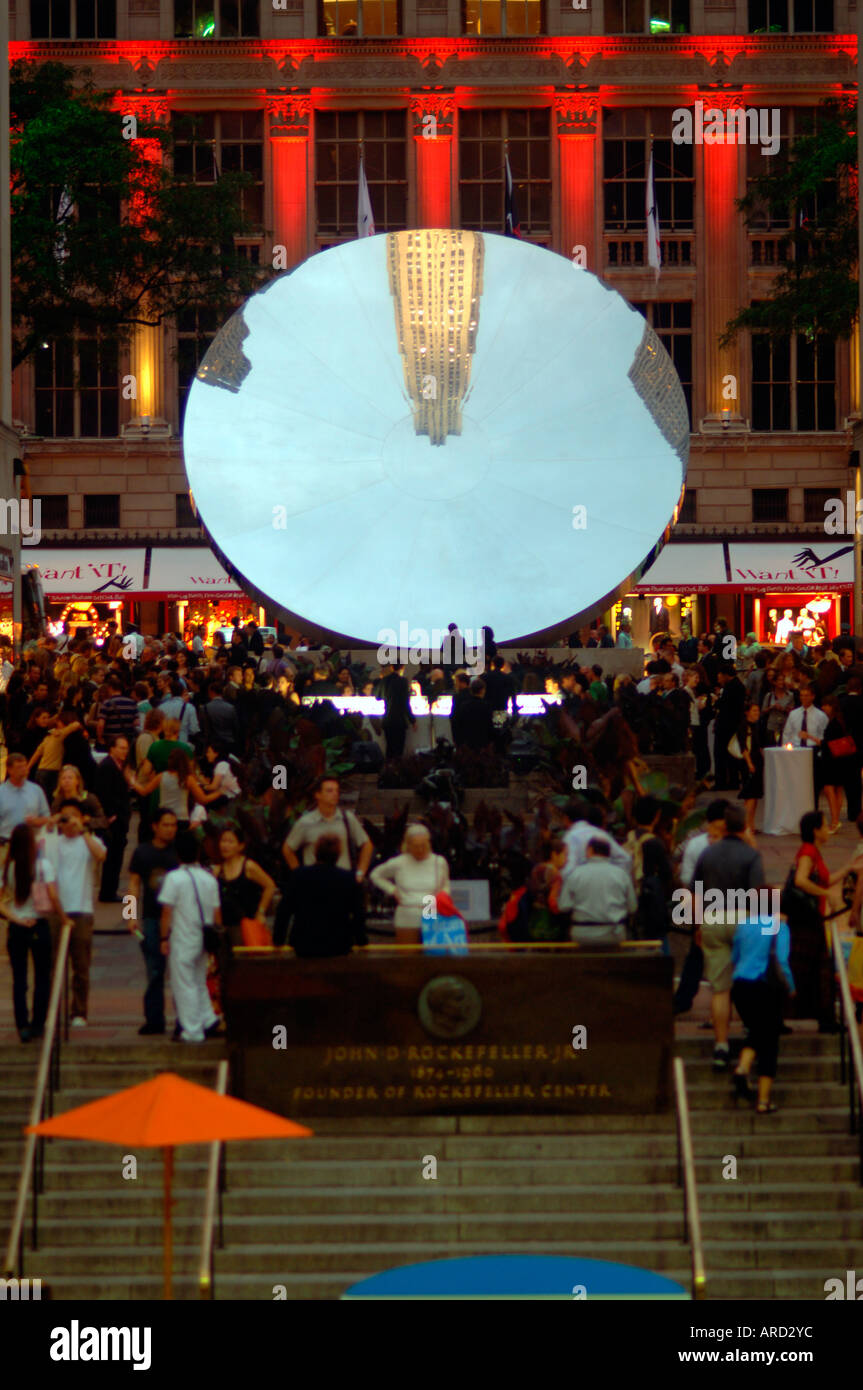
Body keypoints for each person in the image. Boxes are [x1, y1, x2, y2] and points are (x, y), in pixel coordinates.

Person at [693, 802, 764, 1070]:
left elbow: (696, 893)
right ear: (744, 827)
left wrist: (698, 925)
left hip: (713, 917)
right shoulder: (750, 855)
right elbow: (759, 892)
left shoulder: (708, 854)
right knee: (748, 978)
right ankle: (749, 1032)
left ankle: (721, 1045)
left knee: (720, 988)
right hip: (744, 917)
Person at [43, 798, 107, 1027]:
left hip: (81, 909)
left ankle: (79, 1011)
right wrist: (50, 823)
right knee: (50, 964)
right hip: (54, 909)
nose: (69, 821)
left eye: (74, 816)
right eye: (65, 816)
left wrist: (84, 832)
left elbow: (101, 856)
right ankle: (50, 1010)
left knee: (81, 965)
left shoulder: (89, 841)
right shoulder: (52, 842)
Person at [0, 823, 67, 1041]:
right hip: (39, 923)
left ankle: (22, 1025)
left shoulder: (7, 867)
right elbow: (53, 895)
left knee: (19, 979)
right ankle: (39, 1023)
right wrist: (64, 918)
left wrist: (17, 918)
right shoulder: (42, 865)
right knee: (42, 977)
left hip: (17, 926)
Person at [157, 832, 222, 1043]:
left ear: (177, 854)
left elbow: (166, 912)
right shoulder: (209, 878)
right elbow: (216, 912)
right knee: (199, 980)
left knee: (184, 984)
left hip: (182, 938)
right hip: (204, 936)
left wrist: (163, 938)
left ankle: (192, 1029)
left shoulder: (173, 878)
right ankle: (207, 1019)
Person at [789, 810, 848, 1033]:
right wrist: (826, 894)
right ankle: (823, 1018)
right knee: (814, 968)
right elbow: (801, 880)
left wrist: (848, 869)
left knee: (815, 969)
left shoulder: (815, 852)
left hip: (812, 920)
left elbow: (827, 878)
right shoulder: (808, 852)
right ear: (815, 830)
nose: (827, 830)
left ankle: (822, 1017)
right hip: (806, 921)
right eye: (824, 826)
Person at [730, 915, 795, 1115]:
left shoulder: (744, 925)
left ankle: (743, 1067)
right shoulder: (777, 926)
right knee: (769, 1042)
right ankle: (763, 1100)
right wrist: (791, 987)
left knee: (757, 1030)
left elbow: (735, 957)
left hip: (740, 986)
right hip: (764, 986)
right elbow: (782, 960)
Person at [127, 808, 180, 1035]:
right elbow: (133, 884)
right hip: (151, 917)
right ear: (155, 826)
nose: (170, 829)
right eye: (166, 825)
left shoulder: (179, 852)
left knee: (180, 971)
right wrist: (130, 915)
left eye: (173, 825)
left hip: (178, 918)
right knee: (154, 970)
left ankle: (183, 1019)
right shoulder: (142, 852)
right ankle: (154, 1019)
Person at [282, 833, 367, 957]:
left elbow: (285, 909)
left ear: (315, 851)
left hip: (305, 941)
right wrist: (361, 940)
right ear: (338, 853)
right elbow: (358, 913)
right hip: (338, 942)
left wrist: (278, 939)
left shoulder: (299, 875)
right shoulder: (348, 878)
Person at [370, 823, 451, 945]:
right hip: (407, 910)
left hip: (429, 907)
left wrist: (442, 896)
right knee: (407, 956)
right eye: (415, 846)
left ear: (429, 843)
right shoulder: (399, 862)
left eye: (423, 846)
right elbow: (375, 875)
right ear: (408, 845)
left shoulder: (439, 862)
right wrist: (392, 890)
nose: (419, 850)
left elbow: (446, 885)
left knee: (433, 956)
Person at [282, 775, 372, 881]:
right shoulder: (305, 822)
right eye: (329, 791)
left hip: (342, 880)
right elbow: (288, 849)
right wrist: (300, 875)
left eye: (337, 791)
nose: (334, 794)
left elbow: (366, 844)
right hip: (315, 881)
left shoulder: (347, 818)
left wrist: (360, 873)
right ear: (318, 794)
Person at [557, 837, 636, 945]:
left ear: (590, 850)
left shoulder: (575, 874)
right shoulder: (621, 874)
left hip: (582, 934)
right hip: (613, 933)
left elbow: (563, 906)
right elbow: (632, 907)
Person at [212, 824, 276, 947]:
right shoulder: (217, 870)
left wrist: (261, 911)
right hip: (224, 924)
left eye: (230, 842)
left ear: (240, 846)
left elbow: (270, 886)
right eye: (223, 841)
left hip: (246, 923)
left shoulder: (248, 866)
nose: (225, 845)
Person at [94, 735, 133, 902]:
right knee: (112, 857)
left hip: (120, 818)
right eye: (121, 748)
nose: (125, 751)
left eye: (126, 748)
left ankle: (111, 890)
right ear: (112, 748)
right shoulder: (107, 766)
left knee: (116, 857)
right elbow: (104, 793)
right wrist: (112, 816)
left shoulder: (119, 766)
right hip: (114, 820)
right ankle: (108, 892)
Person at [0, 753, 52, 859]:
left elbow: (47, 817)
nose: (24, 769)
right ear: (9, 770)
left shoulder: (36, 790)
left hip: (31, 845)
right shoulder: (1, 792)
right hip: (6, 845)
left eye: (25, 766)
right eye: (19, 767)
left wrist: (36, 821)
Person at [26, 709, 82, 802]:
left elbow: (37, 754)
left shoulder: (46, 739)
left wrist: (28, 768)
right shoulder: (61, 735)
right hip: (52, 772)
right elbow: (76, 724)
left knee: (41, 798)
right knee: (52, 798)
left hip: (40, 771)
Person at [819, 694, 851, 833]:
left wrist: (812, 738)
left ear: (832, 706)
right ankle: (836, 819)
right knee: (838, 790)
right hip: (841, 760)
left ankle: (834, 821)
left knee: (829, 789)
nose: (824, 708)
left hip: (831, 760)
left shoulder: (833, 723)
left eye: (826, 705)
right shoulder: (840, 720)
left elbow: (827, 743)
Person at [713, 663, 746, 791]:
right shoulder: (738, 686)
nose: (718, 678)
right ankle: (733, 780)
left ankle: (721, 781)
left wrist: (717, 700)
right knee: (731, 755)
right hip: (733, 725)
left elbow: (725, 705)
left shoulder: (731, 688)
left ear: (726, 675)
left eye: (720, 676)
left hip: (726, 726)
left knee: (721, 754)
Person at [737, 700, 765, 836]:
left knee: (754, 796)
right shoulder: (744, 727)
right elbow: (744, 748)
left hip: (757, 761)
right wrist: (749, 763)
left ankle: (751, 824)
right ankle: (746, 825)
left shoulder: (755, 726)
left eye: (758, 711)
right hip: (749, 762)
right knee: (750, 795)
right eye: (754, 711)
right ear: (747, 712)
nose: (757, 713)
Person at [379, 663, 415, 760]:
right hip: (399, 720)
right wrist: (413, 720)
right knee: (398, 749)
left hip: (387, 720)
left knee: (389, 748)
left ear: (391, 667)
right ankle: (397, 771)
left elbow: (378, 697)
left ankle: (388, 771)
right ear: (402, 667)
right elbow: (405, 703)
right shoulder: (403, 681)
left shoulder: (384, 680)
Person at [781, 683, 828, 751]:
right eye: (801, 695)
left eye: (806, 696)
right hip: (795, 748)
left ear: (813, 696)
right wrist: (785, 749)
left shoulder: (821, 715)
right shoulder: (793, 714)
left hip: (813, 748)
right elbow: (787, 733)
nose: (803, 698)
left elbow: (822, 735)